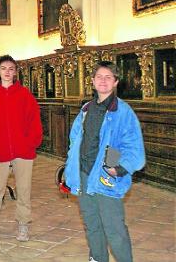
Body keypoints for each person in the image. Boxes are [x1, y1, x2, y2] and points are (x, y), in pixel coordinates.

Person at [64, 61, 145, 262]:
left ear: (116, 82)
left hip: (105, 176)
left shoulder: (123, 111)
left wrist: (117, 168)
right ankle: (98, 258)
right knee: (92, 223)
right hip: (84, 174)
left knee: (114, 227)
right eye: (99, 76)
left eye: (108, 77)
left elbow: (131, 145)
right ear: (92, 81)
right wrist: (71, 168)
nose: (103, 80)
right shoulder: (85, 109)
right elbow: (75, 140)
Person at [0, 55, 42, 242]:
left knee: (23, 188)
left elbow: (34, 121)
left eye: (11, 68)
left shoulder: (25, 95)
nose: (7, 72)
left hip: (23, 150)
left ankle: (23, 224)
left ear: (15, 72)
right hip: (0, 150)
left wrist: (31, 142)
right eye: (4, 68)